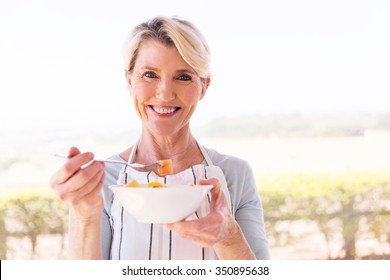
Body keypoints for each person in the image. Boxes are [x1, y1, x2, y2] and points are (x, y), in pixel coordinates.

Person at [50, 16, 270, 260]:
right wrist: (84, 216)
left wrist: (228, 235)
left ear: (203, 87)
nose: (165, 93)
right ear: (129, 80)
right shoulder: (103, 180)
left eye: (183, 76)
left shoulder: (235, 174)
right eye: (150, 75)